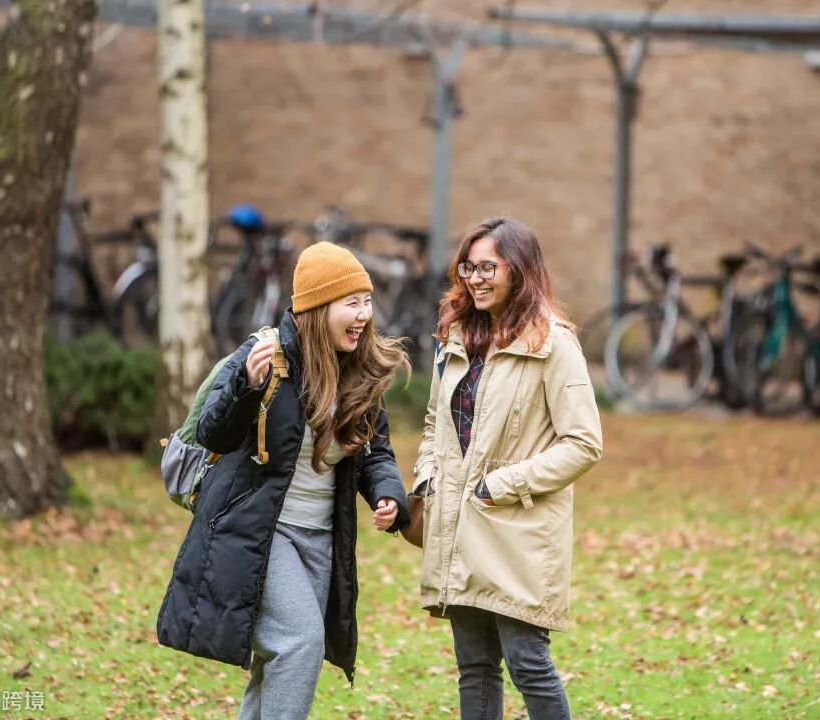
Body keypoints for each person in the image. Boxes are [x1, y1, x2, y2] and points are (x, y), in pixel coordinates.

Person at [156, 241, 411, 720]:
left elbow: (376, 451)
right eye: (351, 302)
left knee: (275, 664)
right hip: (261, 531)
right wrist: (245, 387)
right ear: (317, 308)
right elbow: (214, 433)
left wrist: (389, 495)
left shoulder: (358, 369)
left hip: (320, 539)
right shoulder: (265, 356)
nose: (364, 314)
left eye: (367, 301)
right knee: (299, 642)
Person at [412, 217, 603, 719]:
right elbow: (435, 424)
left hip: (519, 531)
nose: (474, 279)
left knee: (528, 664)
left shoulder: (554, 344)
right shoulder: (455, 338)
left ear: (518, 270)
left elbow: (584, 443)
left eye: (487, 268)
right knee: (475, 668)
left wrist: (502, 484)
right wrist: (428, 480)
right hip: (458, 525)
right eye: (467, 267)